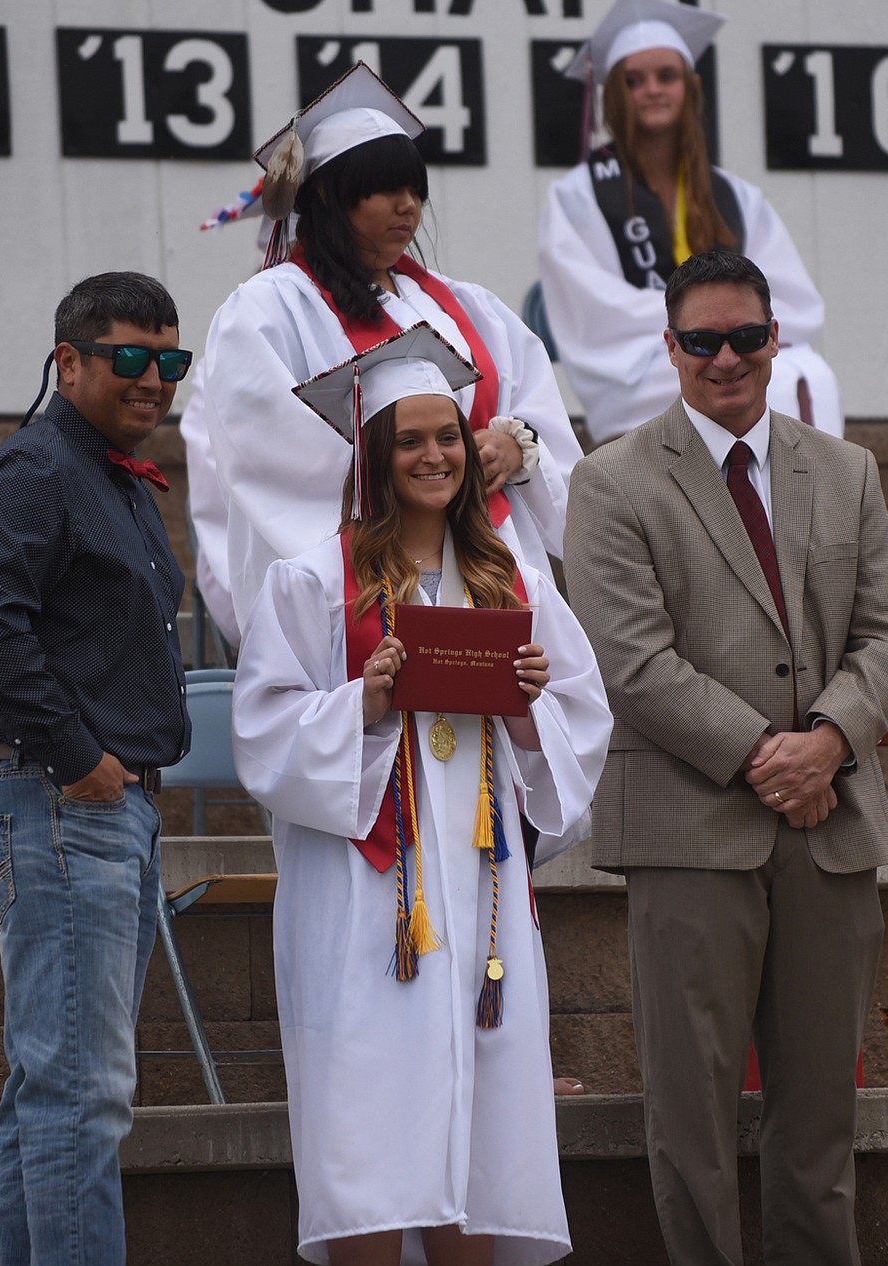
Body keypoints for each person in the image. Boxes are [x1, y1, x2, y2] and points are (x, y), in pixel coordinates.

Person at [562, 250, 888, 1266]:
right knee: (694, 1121)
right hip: (690, 829)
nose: (728, 359)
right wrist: (768, 755)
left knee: (821, 1118)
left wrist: (831, 742)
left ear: (776, 340)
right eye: (704, 340)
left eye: (747, 337)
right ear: (669, 347)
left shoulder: (846, 471)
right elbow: (630, 659)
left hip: (831, 825)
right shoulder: (612, 480)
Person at [232, 328, 612, 1265]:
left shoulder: (511, 580)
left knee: (476, 1133)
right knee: (367, 1120)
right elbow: (264, 734)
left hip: (481, 899)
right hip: (367, 899)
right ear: (375, 457)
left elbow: (580, 719)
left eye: (450, 435)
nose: (436, 455)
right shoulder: (316, 582)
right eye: (411, 440)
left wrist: (527, 708)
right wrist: (366, 698)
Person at [0, 272, 193, 1266]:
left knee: (49, 1094)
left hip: (91, 809)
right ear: (70, 362)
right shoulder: (39, 467)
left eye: (169, 361)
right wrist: (81, 758)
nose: (152, 379)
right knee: (81, 1096)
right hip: (57, 801)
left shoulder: (113, 473)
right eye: (129, 357)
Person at [196, 61, 583, 638]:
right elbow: (270, 448)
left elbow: (535, 408)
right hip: (360, 583)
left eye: (415, 191)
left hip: (488, 561)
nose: (408, 207)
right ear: (327, 194)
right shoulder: (268, 309)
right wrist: (428, 470)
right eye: (385, 190)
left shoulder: (466, 305)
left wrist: (511, 447)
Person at [539, 0, 843, 444]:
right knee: (776, 379)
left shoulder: (735, 195)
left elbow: (797, 303)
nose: (653, 90)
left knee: (811, 372)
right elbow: (594, 311)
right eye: (635, 81)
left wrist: (726, 333)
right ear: (614, 94)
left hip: (726, 352)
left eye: (666, 76)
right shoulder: (580, 195)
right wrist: (706, 327)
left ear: (691, 85)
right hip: (642, 366)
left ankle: (809, 507)